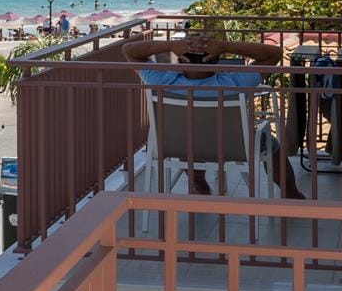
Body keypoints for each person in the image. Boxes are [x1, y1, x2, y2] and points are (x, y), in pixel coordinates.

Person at [121, 27, 304, 199]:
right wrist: (225, 46)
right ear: (215, 59)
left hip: (180, 145)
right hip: (233, 147)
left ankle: (198, 183)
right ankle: (291, 194)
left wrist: (169, 45)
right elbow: (274, 54)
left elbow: (129, 50)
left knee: (191, 134)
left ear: (181, 59)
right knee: (272, 145)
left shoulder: (161, 80)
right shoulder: (235, 81)